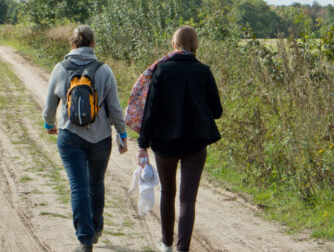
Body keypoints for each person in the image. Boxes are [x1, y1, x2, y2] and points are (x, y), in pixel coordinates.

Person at [137, 26, 223, 252]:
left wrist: (143, 145)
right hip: (196, 143)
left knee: (168, 193)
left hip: (165, 143)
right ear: (196, 45)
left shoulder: (161, 70)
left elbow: (151, 110)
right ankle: (182, 249)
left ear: (174, 45)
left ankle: (166, 244)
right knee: (187, 200)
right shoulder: (204, 71)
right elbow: (217, 111)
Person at [43, 25, 128, 252]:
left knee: (78, 186)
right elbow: (115, 109)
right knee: (96, 183)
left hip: (69, 136)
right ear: (93, 45)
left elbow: (49, 107)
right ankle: (97, 227)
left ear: (72, 44)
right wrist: (122, 133)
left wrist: (50, 124)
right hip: (100, 138)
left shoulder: (60, 68)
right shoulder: (104, 70)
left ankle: (84, 240)